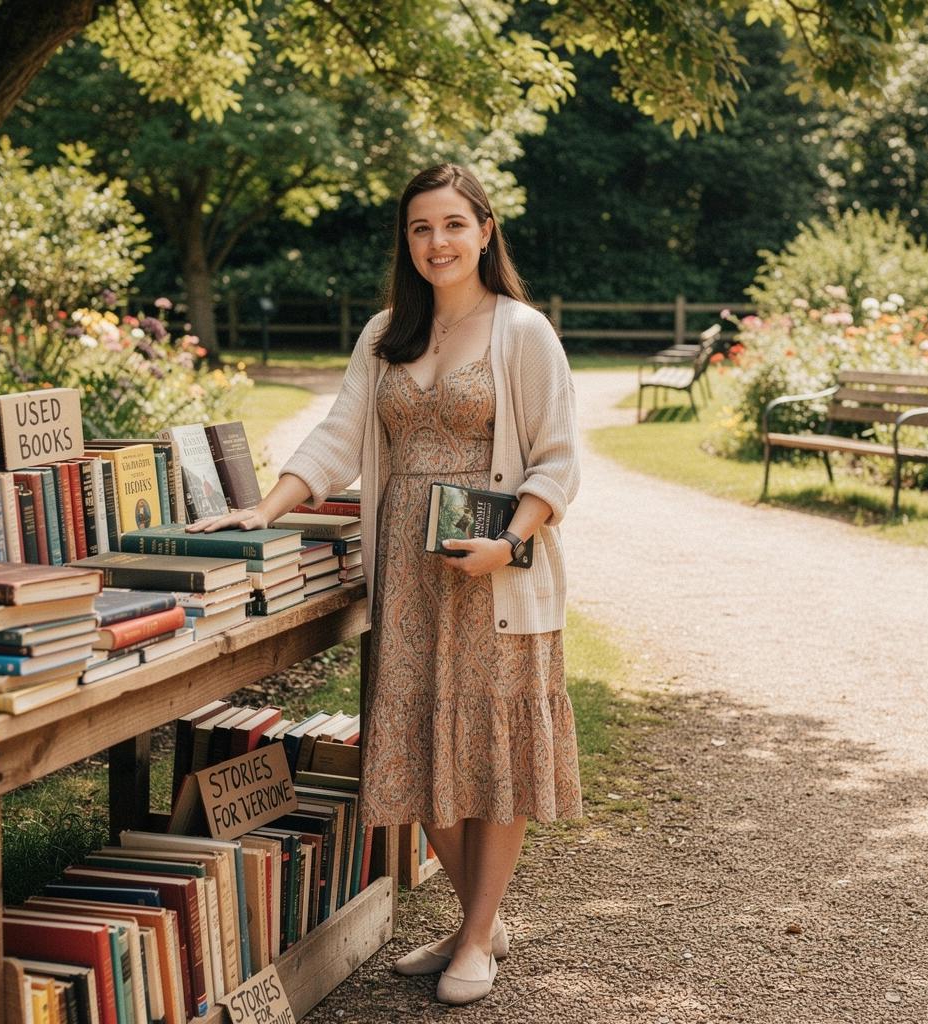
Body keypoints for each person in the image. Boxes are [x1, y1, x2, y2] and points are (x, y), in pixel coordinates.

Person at [187, 163, 582, 1005]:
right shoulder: (384, 333)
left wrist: (507, 542)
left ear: (484, 229)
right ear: (406, 242)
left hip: (494, 572)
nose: (436, 242)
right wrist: (266, 508)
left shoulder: (524, 332)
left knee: (492, 749)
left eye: (451, 224)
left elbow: (559, 459)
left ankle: (476, 935)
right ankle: (479, 918)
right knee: (413, 747)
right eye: (419, 229)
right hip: (407, 573)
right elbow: (338, 436)